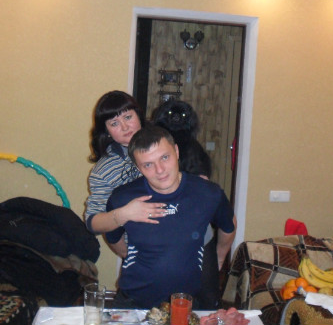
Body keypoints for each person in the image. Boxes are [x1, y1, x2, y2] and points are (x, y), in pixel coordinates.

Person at [105, 124, 237, 309]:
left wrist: (220, 257)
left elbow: (229, 225)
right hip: (133, 302)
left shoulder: (208, 193)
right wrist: (130, 255)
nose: (160, 170)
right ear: (138, 167)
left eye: (165, 157)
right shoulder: (122, 198)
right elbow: (113, 237)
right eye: (148, 164)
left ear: (176, 151)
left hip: (186, 304)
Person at [84, 91, 166, 255]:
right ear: (106, 130)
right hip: (144, 252)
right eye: (114, 123)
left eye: (128, 117)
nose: (124, 127)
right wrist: (124, 214)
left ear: (139, 116)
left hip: (184, 240)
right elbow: (92, 222)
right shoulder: (104, 171)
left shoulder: (164, 143)